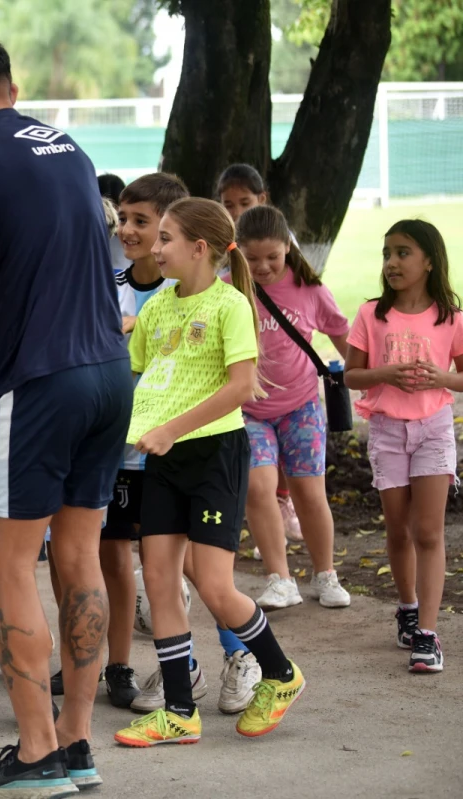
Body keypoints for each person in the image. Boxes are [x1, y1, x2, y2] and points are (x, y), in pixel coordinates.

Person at [0, 36, 131, 796]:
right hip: (110, 372)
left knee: (8, 562)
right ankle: (77, 743)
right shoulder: (70, 148)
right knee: (78, 557)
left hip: (37, 379)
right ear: (10, 86)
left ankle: (37, 751)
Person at [114, 197, 306, 747]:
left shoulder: (230, 306)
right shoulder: (154, 308)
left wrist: (173, 428)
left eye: (166, 237)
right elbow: (141, 381)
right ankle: (179, 711)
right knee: (159, 579)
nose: (155, 247)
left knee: (217, 586)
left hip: (215, 454)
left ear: (200, 249)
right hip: (162, 461)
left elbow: (242, 387)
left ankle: (281, 673)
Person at [344, 219, 460, 674]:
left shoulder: (451, 317)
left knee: (429, 532)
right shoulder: (372, 314)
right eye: (387, 253)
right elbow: (351, 376)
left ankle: (427, 636)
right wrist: (384, 375)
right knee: (398, 529)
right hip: (389, 432)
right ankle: (407, 606)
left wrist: (442, 378)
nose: (392, 262)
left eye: (403, 253)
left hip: (433, 430)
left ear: (429, 260)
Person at [94, 173, 189, 712]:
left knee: (167, 567)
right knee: (112, 560)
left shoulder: (185, 294)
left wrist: (137, 332)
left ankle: (187, 668)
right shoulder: (103, 283)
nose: (127, 230)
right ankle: (115, 664)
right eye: (123, 219)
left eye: (141, 221)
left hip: (164, 449)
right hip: (108, 450)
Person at [235, 205, 352, 614]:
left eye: (272, 257)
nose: (262, 267)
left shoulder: (310, 290)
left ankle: (325, 574)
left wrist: (368, 378)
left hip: (301, 407)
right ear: (237, 252)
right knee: (256, 487)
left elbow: (343, 337)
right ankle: (280, 579)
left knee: (308, 492)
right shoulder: (228, 288)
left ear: (288, 247)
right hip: (248, 411)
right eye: (251, 258)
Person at [217, 165, 305, 544]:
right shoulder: (223, 246)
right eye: (228, 204)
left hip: (291, 390)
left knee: (293, 462)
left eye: (245, 202)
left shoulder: (281, 247)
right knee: (257, 470)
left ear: (262, 199)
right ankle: (261, 515)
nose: (236, 211)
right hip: (245, 386)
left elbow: (307, 294)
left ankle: (284, 503)